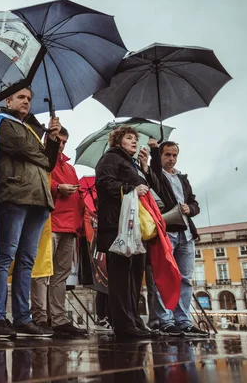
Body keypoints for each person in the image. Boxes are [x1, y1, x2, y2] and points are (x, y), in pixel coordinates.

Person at [0, 88, 61, 339]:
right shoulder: (3, 122)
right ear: (8, 100)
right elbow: (26, 151)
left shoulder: (31, 130)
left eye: (29, 98)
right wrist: (42, 148)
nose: (26, 101)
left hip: (39, 201)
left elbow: (48, 162)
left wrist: (51, 139)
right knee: (5, 256)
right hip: (15, 196)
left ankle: (22, 318)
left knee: (26, 261)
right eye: (21, 97)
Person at [95, 126, 160, 338]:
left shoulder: (131, 163)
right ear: (117, 141)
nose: (134, 141)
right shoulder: (111, 158)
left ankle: (134, 320)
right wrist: (129, 188)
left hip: (134, 227)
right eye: (129, 138)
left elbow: (152, 187)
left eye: (135, 138)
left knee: (134, 277)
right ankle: (123, 324)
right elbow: (104, 184)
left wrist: (144, 166)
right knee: (121, 276)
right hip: (117, 226)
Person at [147, 139, 209, 337]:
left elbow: (195, 203)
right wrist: (154, 149)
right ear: (161, 156)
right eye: (167, 155)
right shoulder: (156, 175)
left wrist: (189, 209)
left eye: (174, 155)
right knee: (164, 276)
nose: (171, 158)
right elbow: (154, 168)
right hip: (168, 231)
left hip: (187, 234)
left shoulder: (183, 178)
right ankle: (163, 320)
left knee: (185, 279)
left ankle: (183, 321)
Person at [30, 127, 87, 337]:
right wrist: (57, 188)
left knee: (60, 275)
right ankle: (40, 317)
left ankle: (59, 318)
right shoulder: (43, 159)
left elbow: (79, 196)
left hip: (69, 227)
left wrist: (79, 225)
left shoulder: (70, 168)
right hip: (49, 223)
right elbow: (38, 182)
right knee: (42, 272)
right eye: (58, 140)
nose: (61, 144)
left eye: (64, 141)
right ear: (49, 139)